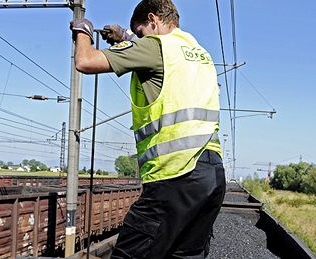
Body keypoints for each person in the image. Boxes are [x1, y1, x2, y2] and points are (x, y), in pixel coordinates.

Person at [70, 0, 226, 258]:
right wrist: (128, 37)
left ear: (153, 20)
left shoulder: (156, 47)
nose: (140, 39)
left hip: (175, 175)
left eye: (141, 32)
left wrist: (83, 31)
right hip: (212, 177)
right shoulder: (198, 53)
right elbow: (160, 57)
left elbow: (86, 61)